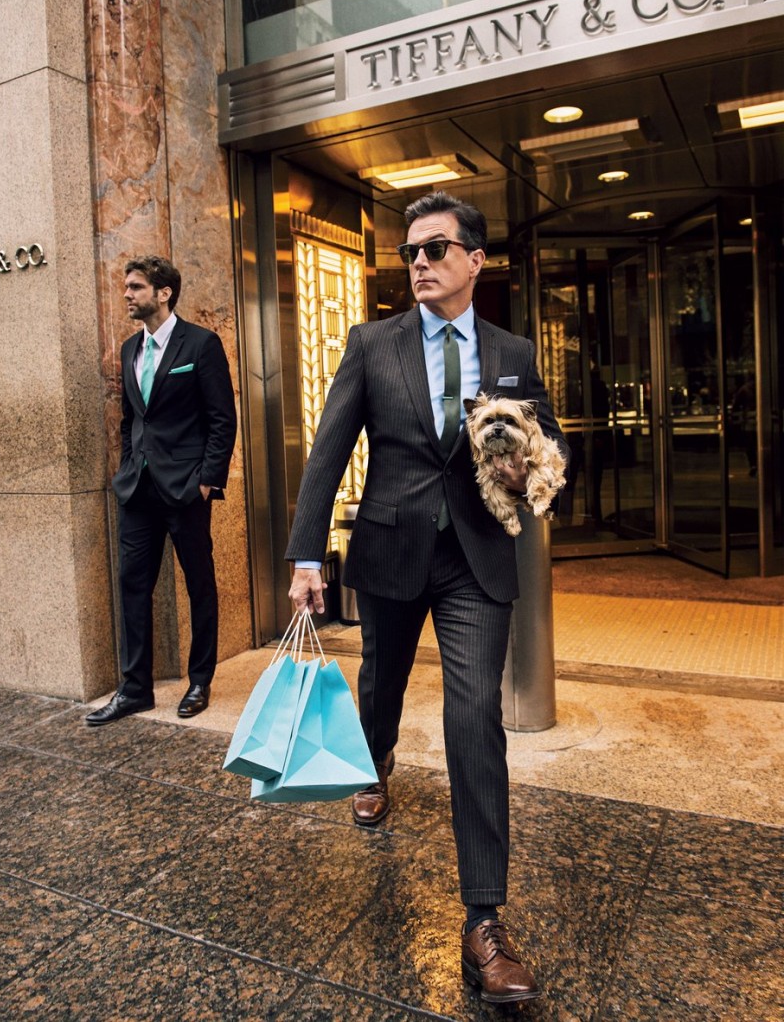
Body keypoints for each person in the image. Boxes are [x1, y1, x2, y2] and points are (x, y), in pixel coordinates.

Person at [286, 192, 568, 1004]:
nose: (419, 263)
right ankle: (374, 761)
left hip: (477, 557)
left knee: (473, 714)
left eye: (437, 249)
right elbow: (329, 446)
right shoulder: (373, 343)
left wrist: (530, 469)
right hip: (389, 545)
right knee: (381, 677)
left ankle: (483, 920)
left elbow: (551, 442)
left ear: (476, 260)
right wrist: (308, 552)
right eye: (410, 252)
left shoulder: (512, 349)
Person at [86, 256, 237, 726]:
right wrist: (126, 469)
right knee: (133, 586)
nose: (127, 295)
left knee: (199, 585)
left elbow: (221, 418)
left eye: (135, 287)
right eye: (126, 287)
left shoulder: (201, 344)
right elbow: (132, 419)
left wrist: (207, 481)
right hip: (138, 492)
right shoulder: (132, 348)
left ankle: (199, 681)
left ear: (163, 292)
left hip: (186, 490)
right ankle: (135, 690)